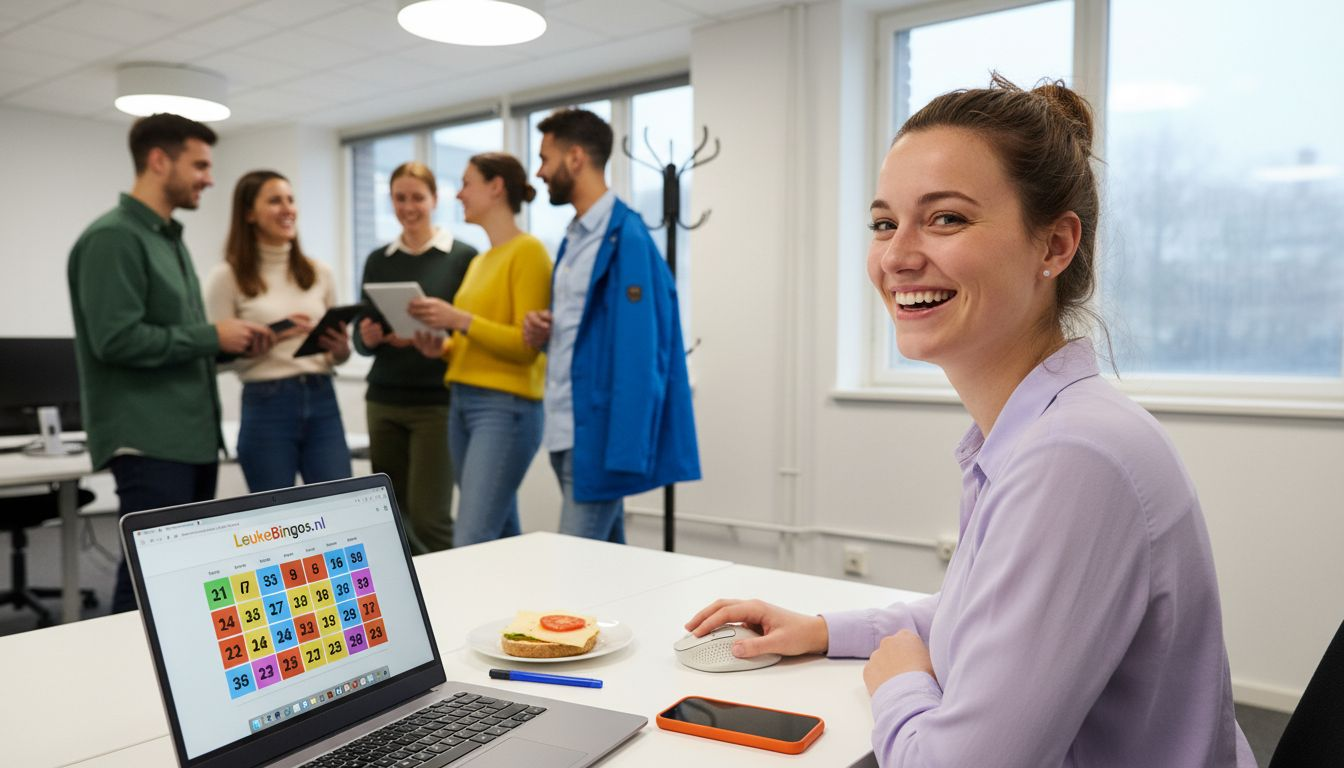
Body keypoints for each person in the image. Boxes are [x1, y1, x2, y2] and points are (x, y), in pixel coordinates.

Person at [685, 76, 1256, 767]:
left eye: (946, 218)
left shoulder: (1074, 457)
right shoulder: (1043, 428)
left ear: (1054, 246)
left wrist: (899, 683)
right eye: (884, 223)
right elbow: (977, 619)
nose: (896, 256)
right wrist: (821, 629)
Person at [68, 113, 274, 613]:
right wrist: (211, 334)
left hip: (189, 437)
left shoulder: (166, 238)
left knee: (178, 581)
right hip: (149, 438)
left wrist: (227, 344)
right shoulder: (113, 238)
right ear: (159, 161)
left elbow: (172, 340)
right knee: (146, 584)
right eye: (199, 164)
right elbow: (115, 340)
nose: (209, 177)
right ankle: (119, 681)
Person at [522, 108, 700, 543]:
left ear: (576, 157)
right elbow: (588, 336)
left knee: (573, 567)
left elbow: (641, 353)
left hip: (596, 436)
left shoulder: (627, 238)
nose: (540, 172)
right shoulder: (575, 238)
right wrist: (546, 332)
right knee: (607, 568)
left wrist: (623, 450)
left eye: (546, 158)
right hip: (566, 425)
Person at [408, 153, 551, 546]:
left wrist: (459, 320)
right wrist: (443, 349)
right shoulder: (481, 260)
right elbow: (476, 340)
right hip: (463, 402)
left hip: (505, 407)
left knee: (471, 537)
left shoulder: (530, 252)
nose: (458, 194)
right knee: (501, 535)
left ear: (496, 187)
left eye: (467, 183)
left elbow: (527, 347)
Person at [353, 161, 476, 554]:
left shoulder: (462, 257)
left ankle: (450, 598)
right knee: (388, 514)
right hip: (384, 399)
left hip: (436, 404)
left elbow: (470, 329)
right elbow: (361, 335)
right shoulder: (378, 259)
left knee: (430, 517)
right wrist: (367, 338)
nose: (408, 207)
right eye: (399, 198)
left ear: (435, 200)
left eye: (417, 198)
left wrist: (437, 333)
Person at [205, 170, 353, 492]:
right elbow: (214, 358)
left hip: (322, 396)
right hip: (266, 404)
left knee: (341, 504)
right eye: (274, 201)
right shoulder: (227, 276)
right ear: (248, 214)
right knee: (275, 519)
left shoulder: (319, 272)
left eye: (290, 199)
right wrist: (260, 342)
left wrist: (340, 349)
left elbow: (337, 356)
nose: (287, 208)